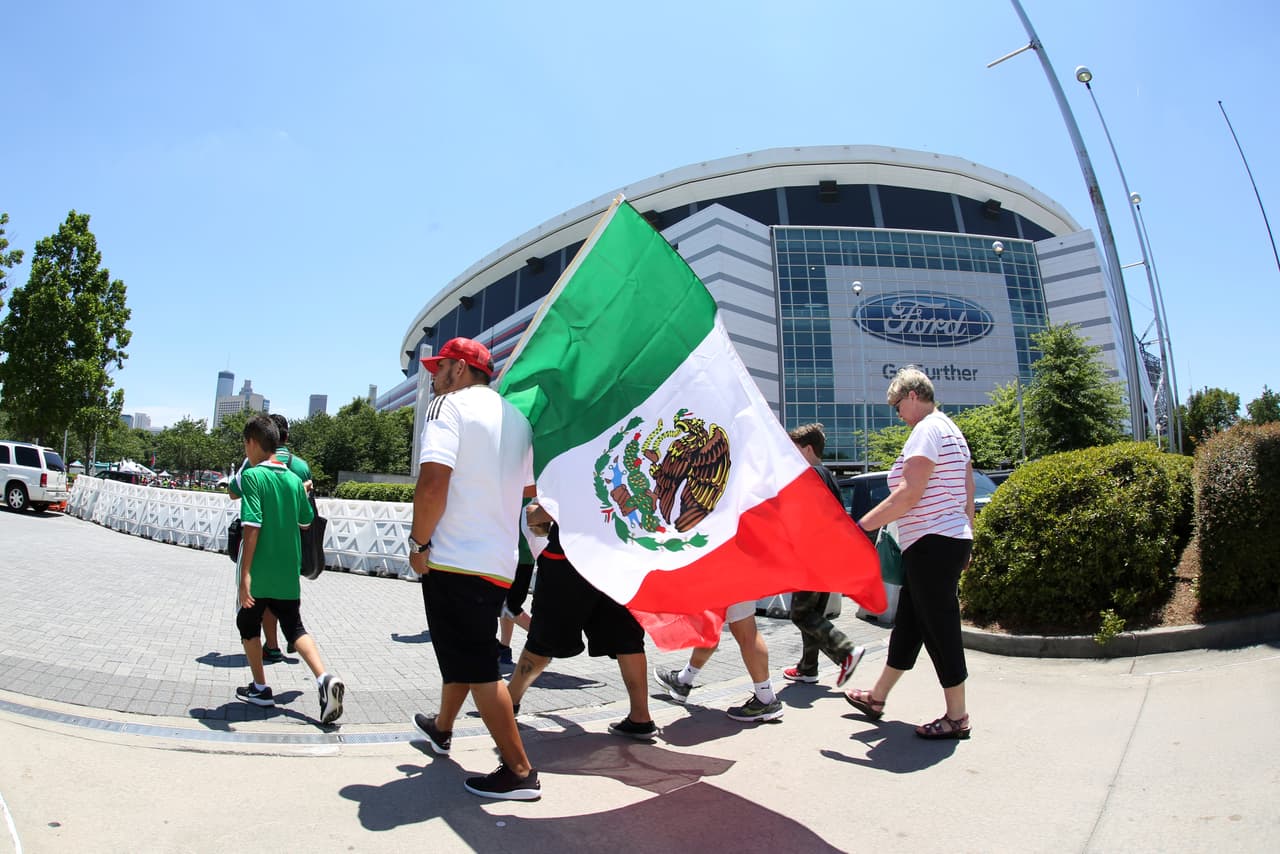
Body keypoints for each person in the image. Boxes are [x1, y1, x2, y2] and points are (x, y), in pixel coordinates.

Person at [407, 337, 541, 801]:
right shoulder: (518, 420)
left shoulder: (449, 409)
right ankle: (443, 729)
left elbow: (431, 485)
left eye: (439, 366)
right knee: (466, 652)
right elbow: (528, 493)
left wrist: (419, 542)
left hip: (455, 557)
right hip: (498, 561)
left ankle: (520, 771)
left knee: (480, 666)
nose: (433, 374)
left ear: (460, 369)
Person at [844, 367, 975, 740]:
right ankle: (877, 697)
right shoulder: (951, 429)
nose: (897, 414)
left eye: (898, 405)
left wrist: (861, 527)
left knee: (940, 627)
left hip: (932, 541)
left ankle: (957, 717)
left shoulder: (927, 430)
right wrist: (968, 537)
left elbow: (908, 492)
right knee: (911, 623)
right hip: (944, 539)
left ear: (914, 396)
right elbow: (966, 487)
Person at [508, 503, 658, 739]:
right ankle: (641, 715)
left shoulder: (574, 466)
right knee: (627, 638)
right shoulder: (621, 464)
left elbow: (550, 511)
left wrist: (533, 512)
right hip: (616, 554)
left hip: (571, 559)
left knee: (544, 636)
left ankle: (508, 702)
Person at [233, 415, 345, 725]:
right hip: (288, 571)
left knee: (247, 625)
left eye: (245, 444)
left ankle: (260, 687)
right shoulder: (295, 481)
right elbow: (306, 521)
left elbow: (251, 525)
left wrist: (246, 575)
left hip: (260, 571)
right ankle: (324, 678)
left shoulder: (254, 477)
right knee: (294, 628)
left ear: (254, 443)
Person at [781, 423, 867, 688]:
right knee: (813, 614)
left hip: (813, 557)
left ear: (807, 449)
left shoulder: (812, 475)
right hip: (828, 556)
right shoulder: (826, 474)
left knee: (801, 614)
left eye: (794, 450)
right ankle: (808, 668)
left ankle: (845, 651)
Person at [230, 413, 313, 664]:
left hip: (261, 552)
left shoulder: (252, 467)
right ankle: (320, 674)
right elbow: (306, 516)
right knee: (289, 615)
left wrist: (245, 573)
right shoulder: (300, 467)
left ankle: (271, 649)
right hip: (290, 553)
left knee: (257, 606)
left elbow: (234, 494)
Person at [653, 600, 782, 722]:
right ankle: (683, 680)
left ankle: (766, 699)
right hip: (738, 579)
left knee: (737, 629)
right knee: (721, 626)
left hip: (724, 580)